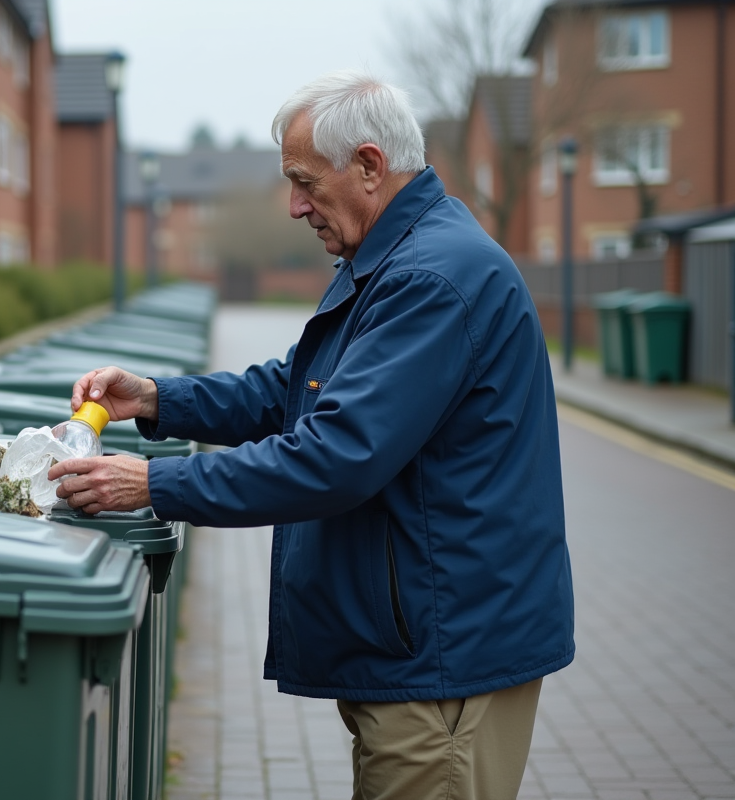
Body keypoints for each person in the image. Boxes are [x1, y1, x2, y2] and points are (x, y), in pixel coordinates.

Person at [48, 71, 574, 800]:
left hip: (444, 657)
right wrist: (157, 399)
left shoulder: (431, 279)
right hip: (420, 645)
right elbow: (294, 389)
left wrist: (152, 484)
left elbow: (334, 457)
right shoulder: (392, 260)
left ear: (368, 165)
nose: (294, 206)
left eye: (303, 181)